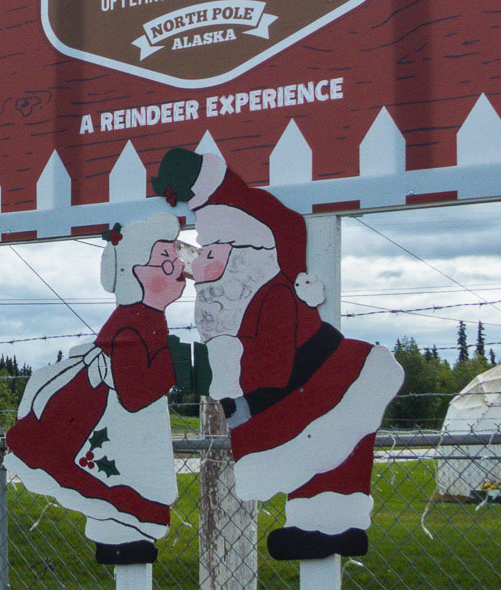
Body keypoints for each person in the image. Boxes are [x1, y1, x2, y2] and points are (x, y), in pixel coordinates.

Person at [157, 147, 403, 562]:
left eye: (210, 255)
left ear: (244, 256)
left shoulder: (271, 290)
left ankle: (330, 525)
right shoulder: (236, 301)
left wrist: (224, 383)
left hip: (311, 383)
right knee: (324, 457)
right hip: (292, 392)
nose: (199, 267)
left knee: (324, 448)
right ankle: (325, 524)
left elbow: (270, 363)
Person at [5, 213, 187, 575]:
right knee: (118, 481)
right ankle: (120, 532)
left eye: (176, 255)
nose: (177, 265)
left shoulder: (146, 318)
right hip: (104, 422)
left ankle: (122, 532)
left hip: (118, 422)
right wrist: (175, 364)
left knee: (129, 477)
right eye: (165, 259)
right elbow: (135, 395)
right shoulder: (133, 322)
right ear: (137, 273)